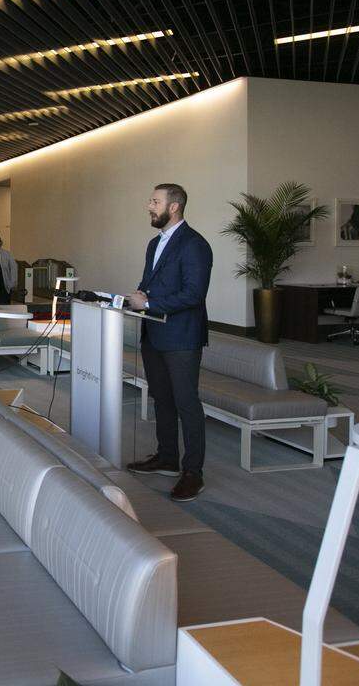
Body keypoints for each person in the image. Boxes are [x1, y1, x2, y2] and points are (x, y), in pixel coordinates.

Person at [125, 183, 213, 503]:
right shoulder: (154, 244)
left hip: (181, 337)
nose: (149, 205)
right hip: (154, 333)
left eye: (155, 201)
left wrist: (148, 305)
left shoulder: (194, 245)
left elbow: (193, 294)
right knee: (161, 398)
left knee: (186, 403)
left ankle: (193, 473)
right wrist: (138, 297)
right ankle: (167, 457)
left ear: (173, 207)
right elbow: (150, 284)